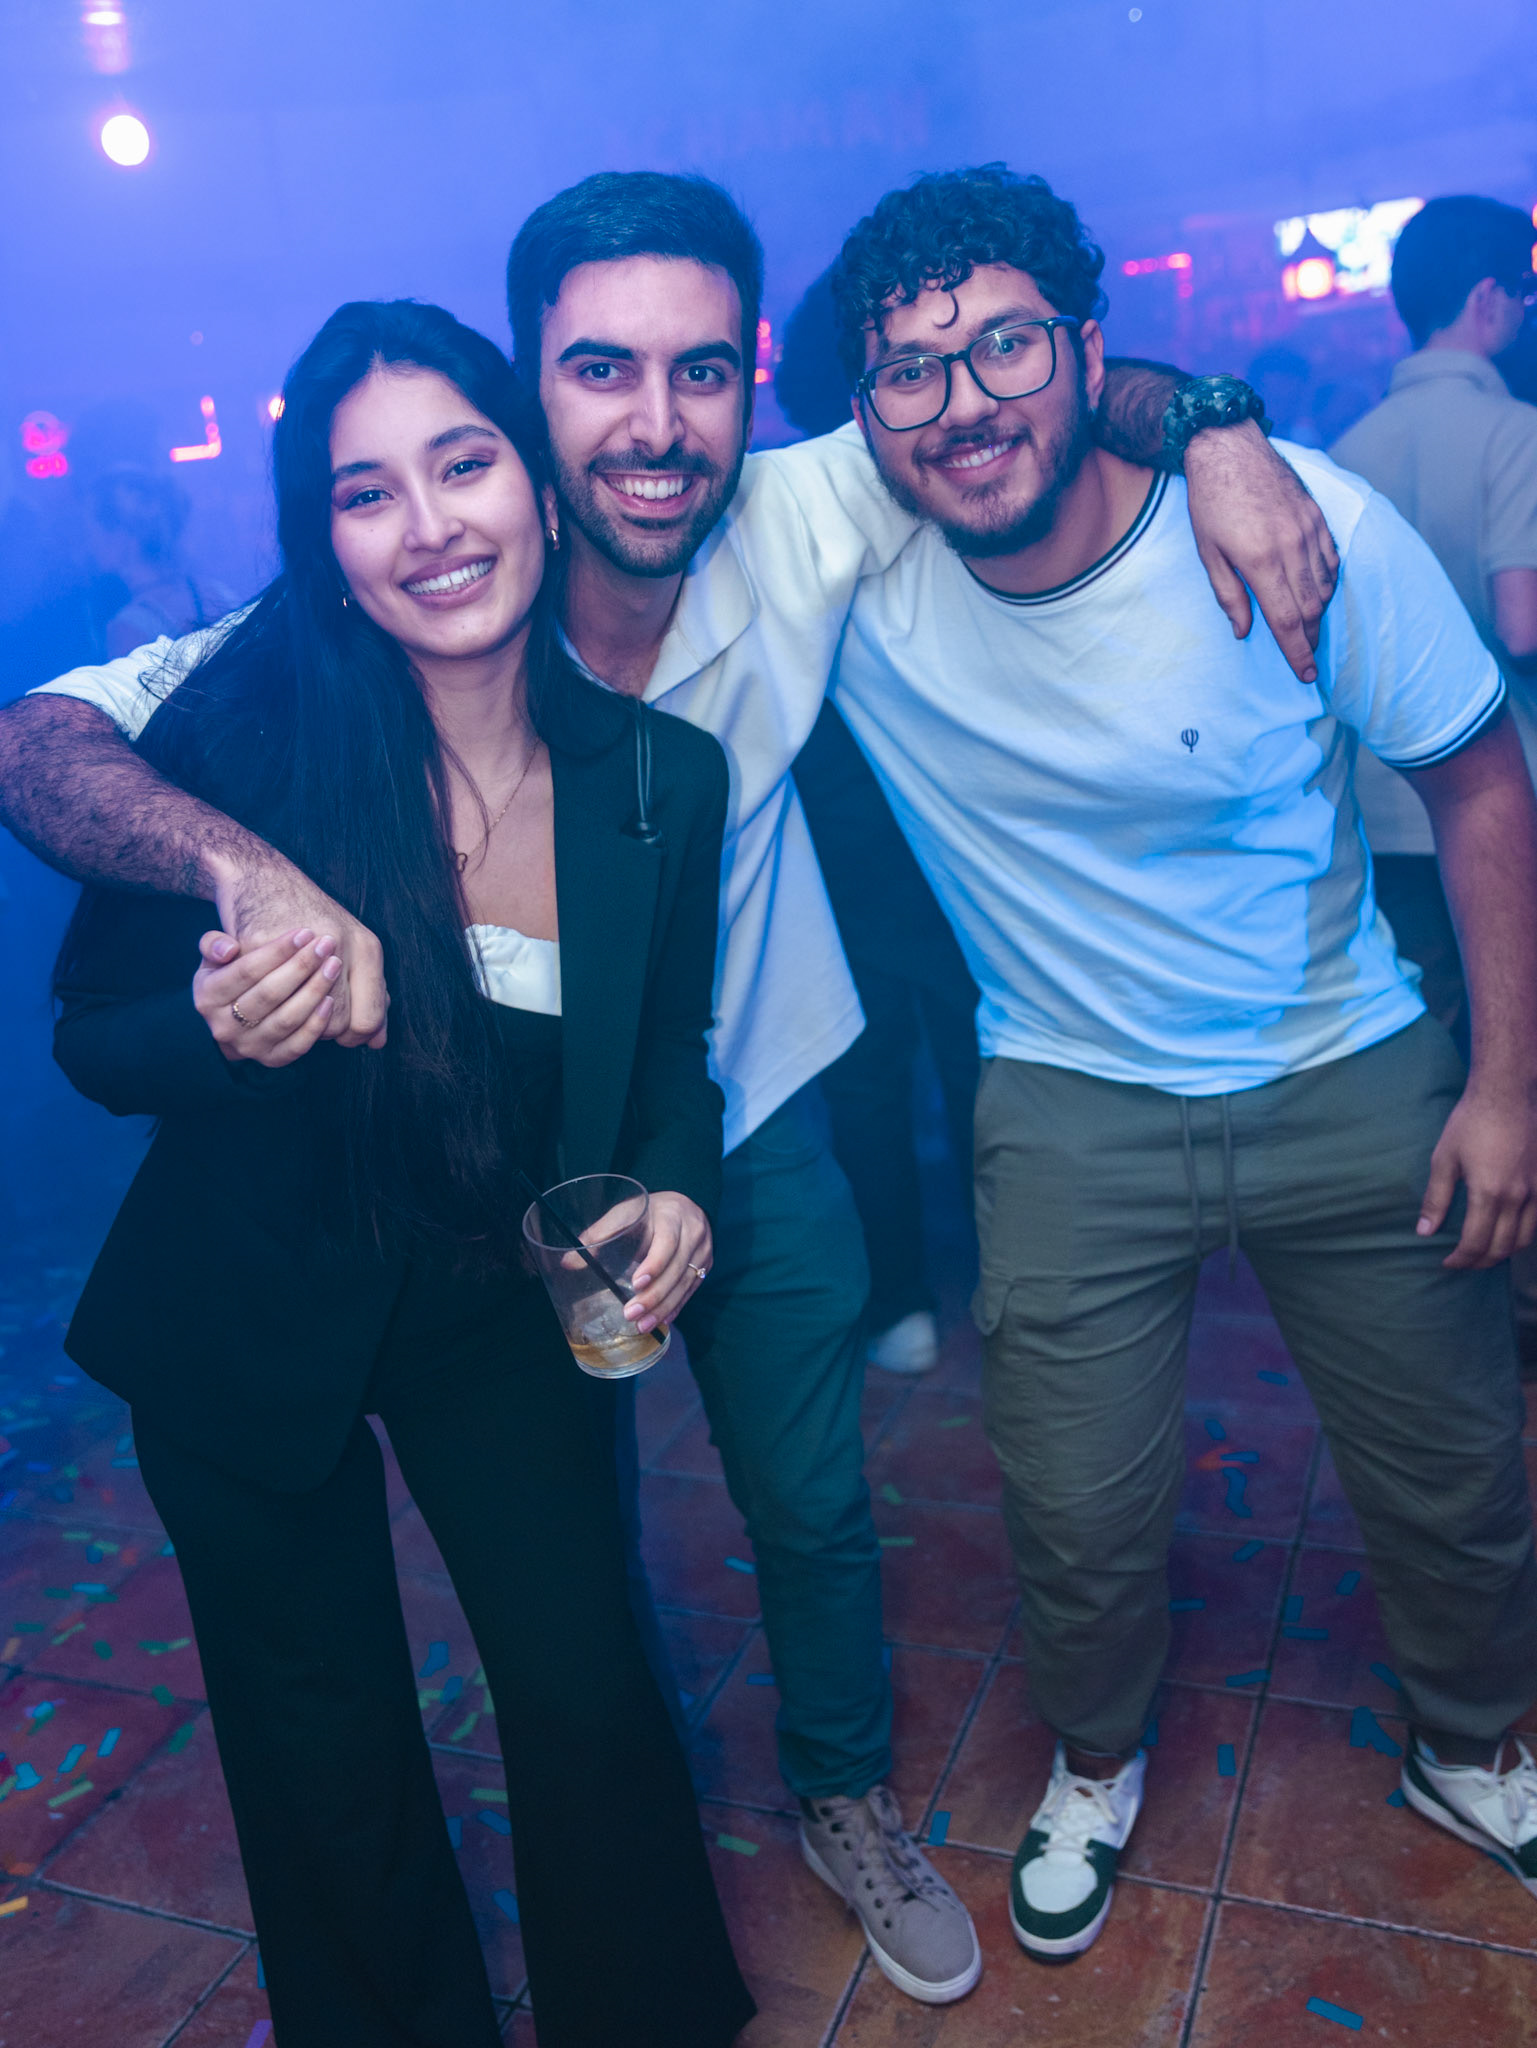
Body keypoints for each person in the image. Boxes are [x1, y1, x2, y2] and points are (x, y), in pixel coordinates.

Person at [0, 171, 1338, 2006]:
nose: (653, 421)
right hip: (348, 1245)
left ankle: (822, 1816)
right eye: (598, 372)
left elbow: (1024, 387)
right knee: (375, 1704)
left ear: (746, 381)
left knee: (738, 1554)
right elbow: (51, 779)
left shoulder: (722, 647)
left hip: (677, 1136)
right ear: (527, 400)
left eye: (701, 369)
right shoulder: (310, 652)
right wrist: (236, 926)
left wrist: (1219, 430)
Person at [813, 164, 1537, 1959]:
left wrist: (1506, 1087)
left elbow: (1477, 780)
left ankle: (1470, 1746)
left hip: (1343, 1058)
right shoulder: (846, 567)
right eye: (909, 369)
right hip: (1071, 1102)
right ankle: (1092, 1761)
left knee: (1454, 1469)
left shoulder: (1304, 523)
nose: (964, 402)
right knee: (1071, 1505)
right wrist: (1212, 410)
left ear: (1086, 349)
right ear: (863, 409)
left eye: (1007, 346)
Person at [45, 298, 752, 2048]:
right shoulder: (245, 742)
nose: (430, 527)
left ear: (538, 485)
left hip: (497, 1302)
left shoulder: (661, 779)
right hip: (242, 1304)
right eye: (368, 494)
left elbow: (670, 1057)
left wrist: (675, 1189)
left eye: (463, 464)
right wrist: (219, 1026)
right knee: (323, 1740)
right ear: (329, 545)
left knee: (584, 1690)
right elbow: (92, 1037)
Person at [779, 266, 980, 1376]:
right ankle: (996, 1276)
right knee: (973, 1062)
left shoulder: (780, 511)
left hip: (845, 849)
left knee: (867, 1085)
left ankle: (900, 1301)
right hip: (940, 846)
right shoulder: (943, 490)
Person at [1331, 195, 1537, 1116]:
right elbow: (1521, 624)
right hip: (1499, 791)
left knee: (1425, 1043)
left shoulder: (1345, 448)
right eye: (1523, 295)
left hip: (1379, 804)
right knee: (1515, 1048)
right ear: (1488, 298)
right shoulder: (1513, 431)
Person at [87, 463, 237, 656]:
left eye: (92, 530)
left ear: (122, 536)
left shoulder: (128, 629)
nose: (89, 543)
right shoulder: (219, 593)